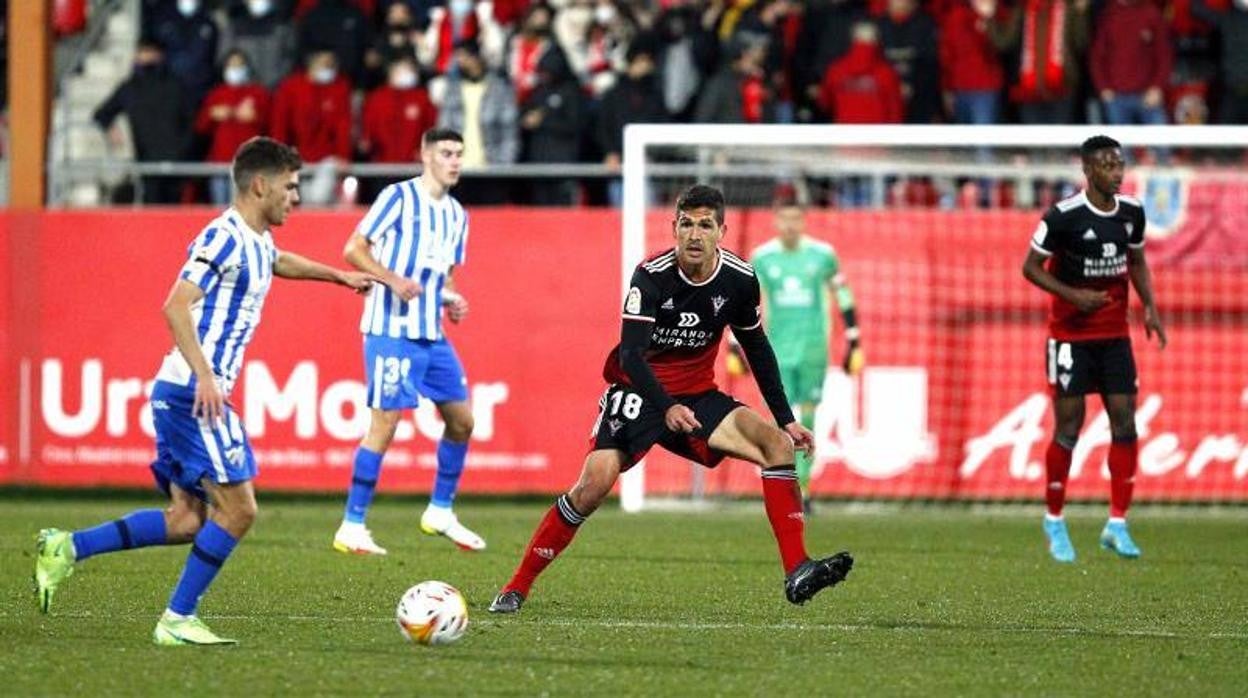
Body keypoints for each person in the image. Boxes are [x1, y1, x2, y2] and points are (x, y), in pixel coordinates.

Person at [33, 137, 374, 645]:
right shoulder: (223, 237)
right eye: (290, 187)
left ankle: (67, 548)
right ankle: (176, 619)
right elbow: (175, 305)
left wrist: (339, 277)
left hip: (186, 393)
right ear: (260, 185)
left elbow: (278, 262)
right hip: (195, 394)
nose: (296, 197)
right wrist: (207, 375)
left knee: (187, 520)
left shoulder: (255, 239)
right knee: (239, 510)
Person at [487, 184, 854, 615]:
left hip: (697, 394)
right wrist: (666, 406)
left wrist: (787, 419)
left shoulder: (739, 279)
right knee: (593, 485)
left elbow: (756, 346)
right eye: (686, 224)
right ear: (673, 227)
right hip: (638, 391)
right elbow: (631, 355)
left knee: (776, 445)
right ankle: (517, 586)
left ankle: (797, 569)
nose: (694, 235)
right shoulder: (651, 275)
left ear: (722, 231)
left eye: (705, 225)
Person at [332, 128, 485, 555]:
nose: (454, 161)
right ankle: (352, 525)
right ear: (424, 155)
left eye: (459, 154)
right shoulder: (398, 198)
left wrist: (451, 298)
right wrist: (391, 279)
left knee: (462, 421)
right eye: (446, 153)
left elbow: (445, 273)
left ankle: (439, 510)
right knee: (385, 423)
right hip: (390, 329)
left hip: (430, 334)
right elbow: (353, 249)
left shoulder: (457, 215)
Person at [1022, 135, 1167, 564]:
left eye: (1119, 164)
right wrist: (1072, 295)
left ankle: (1117, 523)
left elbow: (1136, 261)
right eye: (1106, 165)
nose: (1116, 171)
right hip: (1069, 337)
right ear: (1088, 170)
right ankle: (1054, 519)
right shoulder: (1063, 216)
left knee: (1125, 423)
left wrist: (1151, 309)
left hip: (1114, 336)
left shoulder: (1132, 212)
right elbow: (1029, 267)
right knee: (1069, 427)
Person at [738, 198, 864, 513]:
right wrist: (732, 343)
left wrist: (854, 339)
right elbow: (744, 303)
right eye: (785, 219)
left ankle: (804, 491)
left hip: (812, 350)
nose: (790, 225)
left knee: (808, 417)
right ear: (775, 221)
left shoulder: (822, 255)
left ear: (804, 221)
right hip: (775, 351)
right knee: (778, 421)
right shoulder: (762, 258)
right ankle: (781, 488)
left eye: (796, 219)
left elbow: (843, 294)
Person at [93, 37, 194, 204]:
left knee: (176, 212)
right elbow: (102, 113)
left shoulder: (175, 85)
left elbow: (190, 120)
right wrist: (110, 127)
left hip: (177, 163)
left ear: (160, 55)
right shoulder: (131, 87)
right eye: (142, 52)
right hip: (147, 162)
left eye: (151, 52)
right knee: (152, 209)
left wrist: (184, 149)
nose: (146, 56)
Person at [195, 50, 271, 205]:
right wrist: (212, 115)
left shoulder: (258, 93)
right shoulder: (216, 94)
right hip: (220, 162)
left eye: (239, 65)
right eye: (231, 65)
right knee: (221, 210)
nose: (235, 69)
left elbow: (269, 124)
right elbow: (201, 127)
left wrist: (254, 117)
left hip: (249, 164)